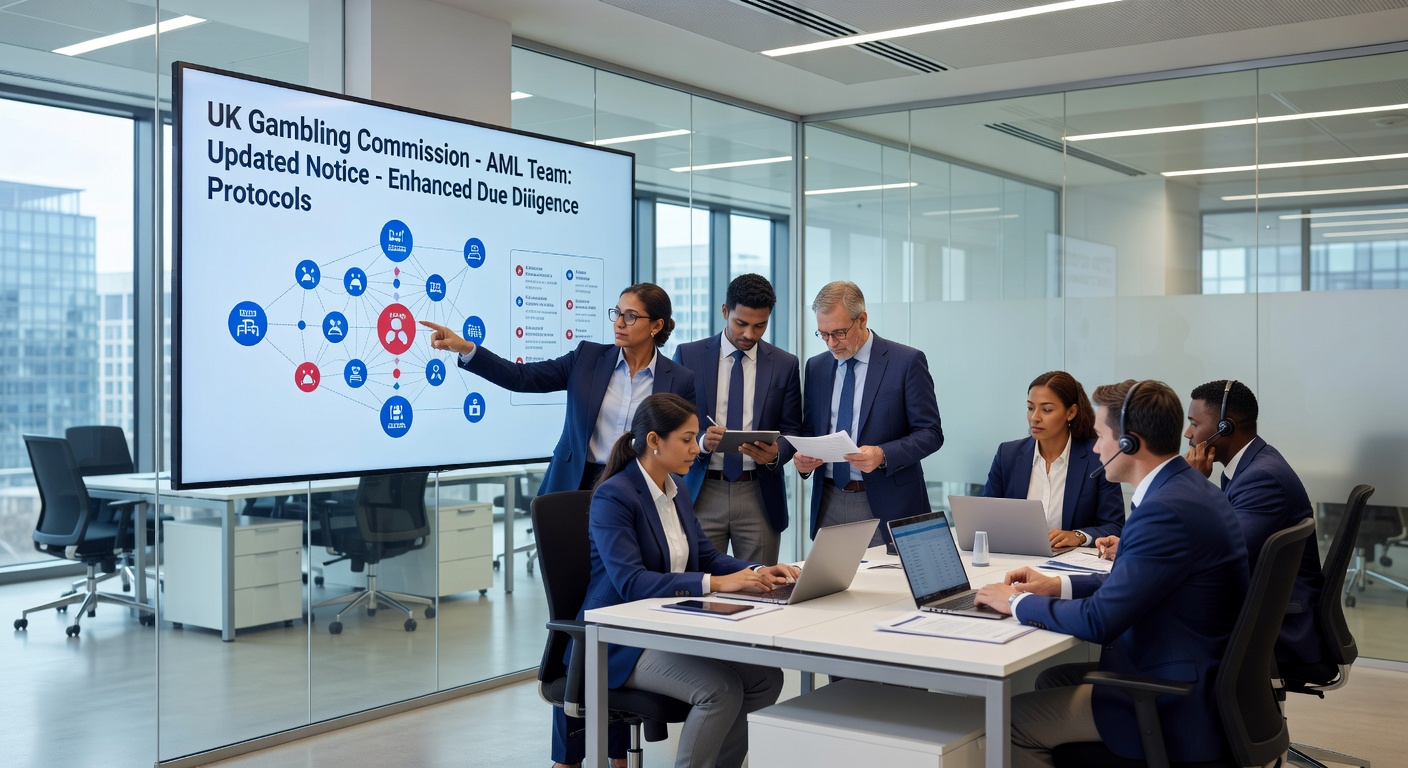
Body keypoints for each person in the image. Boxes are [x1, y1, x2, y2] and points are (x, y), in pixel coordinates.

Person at [421, 282, 695, 768]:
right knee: (581, 617)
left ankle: (614, 752)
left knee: (619, 613)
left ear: (656, 326)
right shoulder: (589, 357)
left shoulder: (678, 377)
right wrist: (467, 350)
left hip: (636, 493)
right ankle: (568, 756)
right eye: (617, 313)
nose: (618, 322)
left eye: (631, 316)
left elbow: (681, 437)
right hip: (577, 493)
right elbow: (523, 377)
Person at [973, 379, 1248, 766]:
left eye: (1101, 436)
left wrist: (1018, 602)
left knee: (1013, 720)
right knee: (1052, 678)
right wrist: (1058, 585)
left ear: (1130, 443)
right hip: (1197, 668)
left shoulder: (1163, 511)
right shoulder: (1184, 489)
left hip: (1175, 695)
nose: (1096, 447)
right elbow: (1137, 580)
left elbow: (1100, 620)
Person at [581, 393, 797, 768]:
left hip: (667, 626)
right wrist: (715, 583)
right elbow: (632, 583)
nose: (696, 449)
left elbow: (707, 557)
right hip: (619, 642)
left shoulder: (676, 492)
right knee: (720, 690)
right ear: (654, 441)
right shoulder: (614, 497)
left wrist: (757, 571)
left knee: (765, 678)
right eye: (686, 439)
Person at [1096, 380, 1325, 672]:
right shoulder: (1249, 467)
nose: (1188, 433)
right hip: (1265, 612)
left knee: (1145, 633)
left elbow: (1221, 551)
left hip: (1280, 626)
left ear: (1226, 427)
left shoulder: (1263, 478)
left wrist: (1187, 485)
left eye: (1194, 423)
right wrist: (1137, 545)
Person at [787, 281, 943, 545]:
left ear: (862, 319)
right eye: (823, 334)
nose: (831, 343)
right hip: (829, 502)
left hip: (887, 504)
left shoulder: (906, 362)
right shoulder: (817, 367)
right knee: (832, 587)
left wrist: (883, 455)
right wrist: (802, 460)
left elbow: (931, 433)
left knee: (887, 586)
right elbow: (811, 430)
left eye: (838, 332)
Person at [673, 274, 802, 564]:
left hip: (760, 494)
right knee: (702, 588)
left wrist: (775, 453)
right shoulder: (688, 356)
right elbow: (671, 423)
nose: (749, 334)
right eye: (740, 323)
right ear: (724, 312)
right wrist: (703, 441)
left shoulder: (785, 364)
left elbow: (793, 429)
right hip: (702, 491)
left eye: (760, 325)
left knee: (764, 590)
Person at [982, 371, 1124, 549]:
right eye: (1030, 408)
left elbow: (1115, 527)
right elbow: (985, 519)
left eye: (1046, 410)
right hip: (1015, 559)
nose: (1035, 417)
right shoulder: (1007, 455)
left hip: (1070, 566)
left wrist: (1078, 536)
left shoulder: (1098, 458)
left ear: (1071, 412)